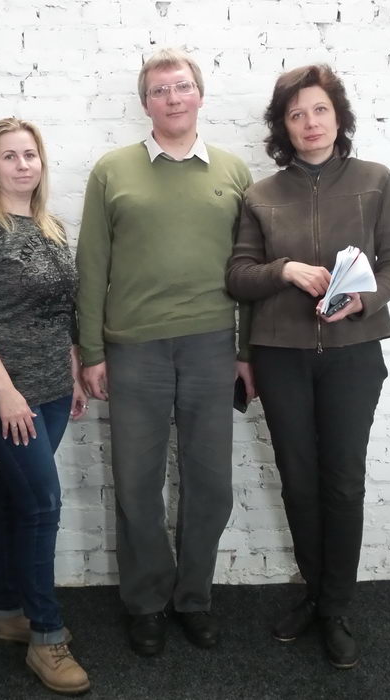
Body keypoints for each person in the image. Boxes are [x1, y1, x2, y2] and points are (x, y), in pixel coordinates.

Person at [226, 65, 390, 669]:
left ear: (339, 117)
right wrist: (283, 269)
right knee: (299, 481)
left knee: (343, 482)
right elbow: (238, 276)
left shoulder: (375, 181)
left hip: (354, 355)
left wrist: (363, 300)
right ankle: (314, 593)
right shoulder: (260, 194)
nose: (310, 123)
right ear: (283, 126)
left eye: (320, 110)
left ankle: (335, 608)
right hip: (281, 357)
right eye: (297, 114)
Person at [76, 48, 254, 656]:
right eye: (159, 90)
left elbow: (250, 268)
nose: (172, 98)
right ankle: (147, 602)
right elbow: (92, 265)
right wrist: (91, 351)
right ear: (145, 103)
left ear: (199, 95)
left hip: (212, 347)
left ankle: (194, 599)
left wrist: (246, 351)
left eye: (181, 87)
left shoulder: (233, 171)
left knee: (211, 485)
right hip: (134, 351)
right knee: (136, 484)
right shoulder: (112, 171)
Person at [0, 118, 90, 694]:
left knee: (16, 495)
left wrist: (73, 374)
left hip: (52, 390)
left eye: (30, 154)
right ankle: (46, 636)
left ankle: (9, 612)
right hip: (2, 394)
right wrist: (7, 392)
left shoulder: (52, 227)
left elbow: (65, 312)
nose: (23, 164)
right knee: (42, 503)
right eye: (10, 156)